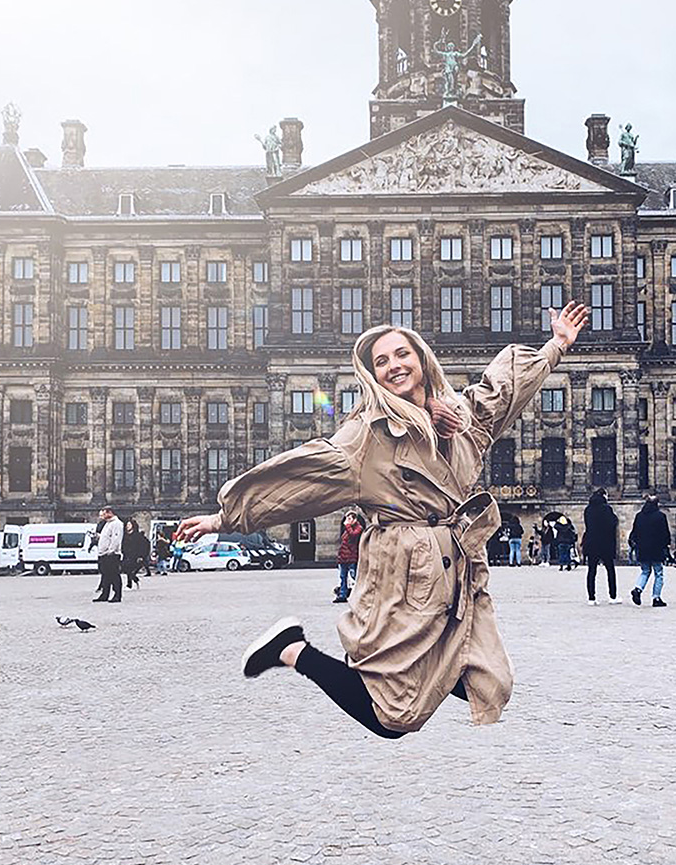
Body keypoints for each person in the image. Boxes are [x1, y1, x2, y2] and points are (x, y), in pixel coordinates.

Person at [177, 301, 588, 740]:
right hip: (405, 576)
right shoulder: (365, 437)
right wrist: (226, 518)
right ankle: (292, 650)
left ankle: (421, 667)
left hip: (459, 574)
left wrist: (556, 345)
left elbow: (505, 389)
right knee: (394, 718)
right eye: (381, 361)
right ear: (372, 375)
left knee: (490, 684)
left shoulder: (463, 418)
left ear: (421, 358)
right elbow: (303, 479)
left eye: (401, 354)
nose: (394, 365)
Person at [629, 494, 672, 608]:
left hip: (643, 549)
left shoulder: (639, 516)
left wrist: (636, 545)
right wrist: (666, 545)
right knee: (658, 573)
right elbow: (665, 534)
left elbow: (634, 532)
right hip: (656, 549)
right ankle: (656, 598)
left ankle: (637, 589)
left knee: (645, 571)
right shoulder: (660, 516)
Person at [582, 488, 620, 606]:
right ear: (604, 495)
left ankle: (591, 598)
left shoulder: (588, 509)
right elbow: (613, 523)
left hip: (591, 543)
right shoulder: (606, 508)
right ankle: (612, 597)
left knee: (591, 571)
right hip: (605, 544)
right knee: (610, 570)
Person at [93, 506, 124, 603]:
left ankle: (117, 595)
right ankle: (105, 594)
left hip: (111, 554)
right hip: (103, 554)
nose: (102, 516)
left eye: (104, 513)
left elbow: (116, 539)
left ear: (110, 513)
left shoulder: (117, 524)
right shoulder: (107, 524)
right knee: (105, 575)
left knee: (114, 575)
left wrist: (110, 551)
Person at [334, 511, 363, 603]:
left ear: (355, 519)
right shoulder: (347, 529)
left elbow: (353, 535)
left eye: (349, 518)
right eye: (347, 518)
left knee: (354, 576)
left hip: (351, 557)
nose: (347, 521)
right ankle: (342, 594)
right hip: (343, 557)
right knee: (343, 577)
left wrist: (347, 526)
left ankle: (361, 593)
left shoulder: (358, 528)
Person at [121, 518, 147, 590]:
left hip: (135, 555)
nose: (127, 526)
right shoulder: (124, 535)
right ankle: (134, 579)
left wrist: (141, 556)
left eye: (129, 525)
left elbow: (142, 546)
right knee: (126, 569)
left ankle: (129, 584)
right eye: (127, 525)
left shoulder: (137, 535)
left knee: (130, 570)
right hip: (127, 554)